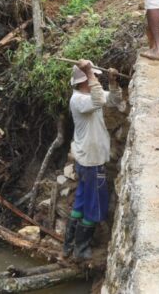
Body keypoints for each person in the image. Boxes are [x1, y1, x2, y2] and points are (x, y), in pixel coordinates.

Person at [63, 60, 123, 260]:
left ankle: (68, 245)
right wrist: (89, 71)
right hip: (91, 162)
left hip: (86, 160)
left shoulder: (89, 96)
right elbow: (99, 100)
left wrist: (113, 83)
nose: (95, 79)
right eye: (92, 76)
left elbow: (112, 101)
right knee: (95, 203)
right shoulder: (79, 100)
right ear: (84, 81)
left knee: (81, 201)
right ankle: (81, 249)